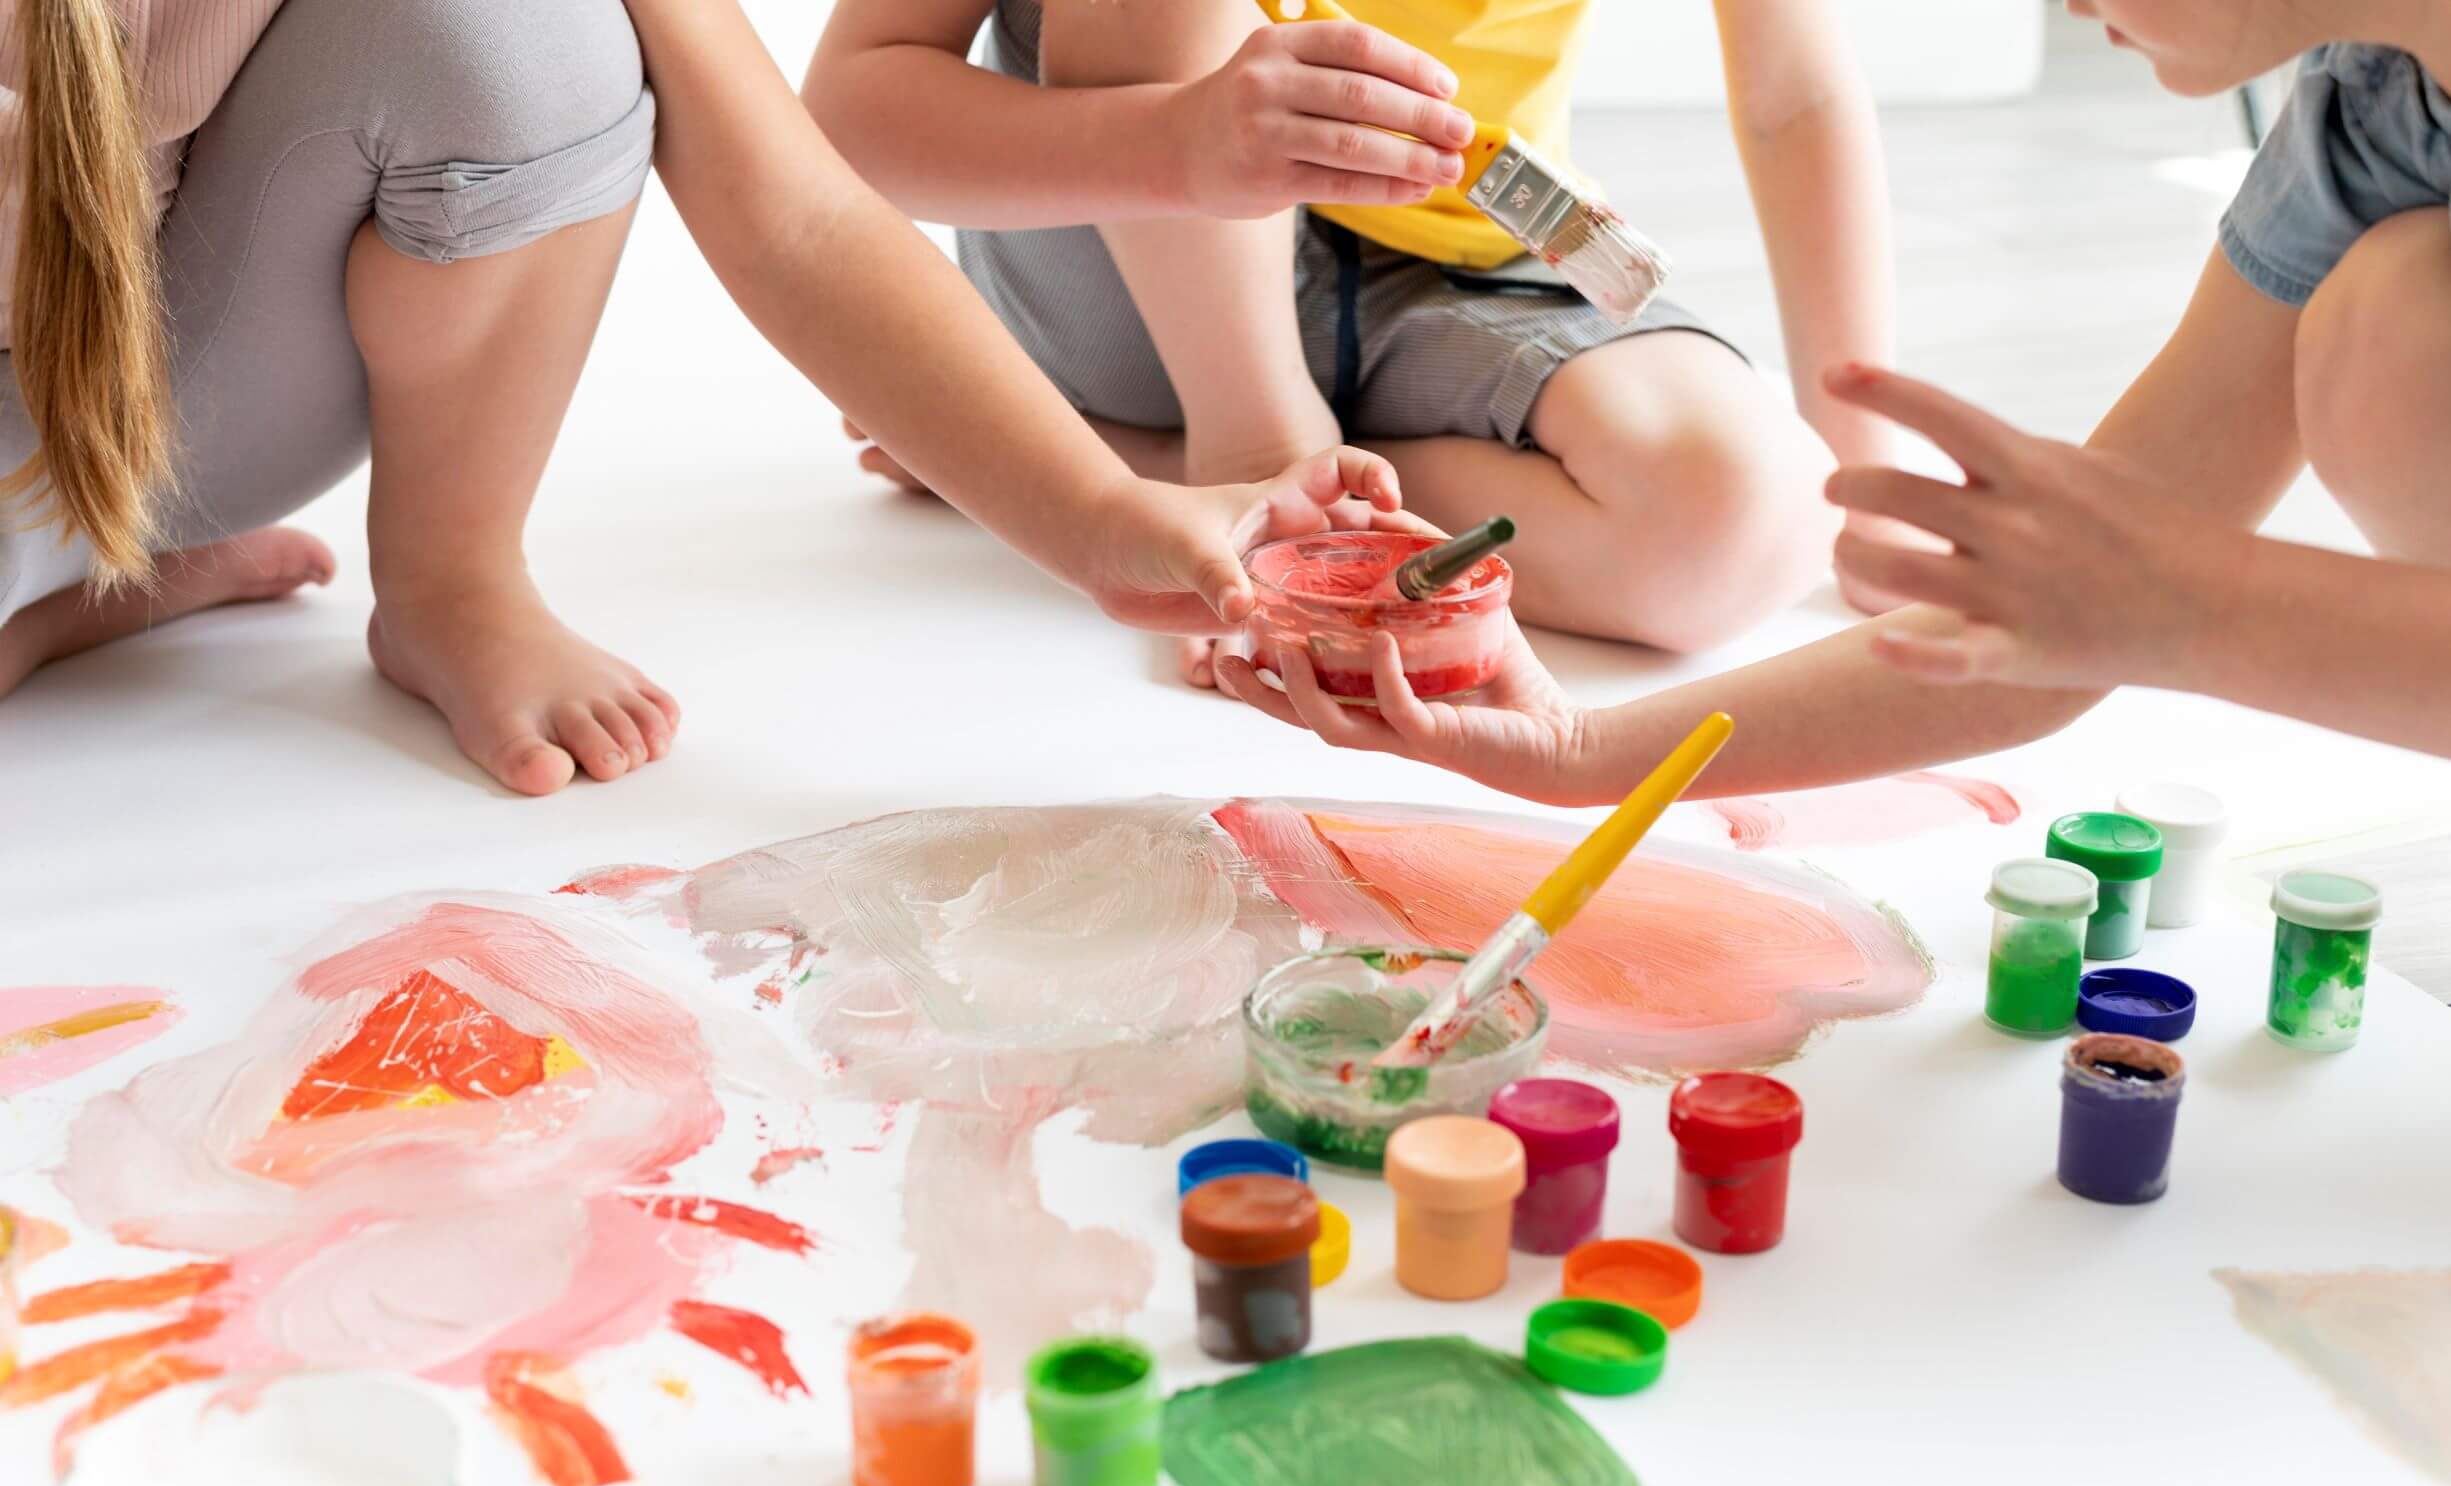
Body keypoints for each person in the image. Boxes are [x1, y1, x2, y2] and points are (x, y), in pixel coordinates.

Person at [0, 0, 1408, 795]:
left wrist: (1095, 512)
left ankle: (446, 578)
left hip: (148, 394)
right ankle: (63, 591)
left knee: (521, 32)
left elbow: (790, 208)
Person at [1219, 0, 2451, 796]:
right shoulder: (2373, 126)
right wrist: (1581, 751)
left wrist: (2194, 605)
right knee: (2395, 321)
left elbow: (2125, 605)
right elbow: (2048, 635)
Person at [807, 0, 1905, 690]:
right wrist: (1176, 146)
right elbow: (844, 115)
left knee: (1753, 520)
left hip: (1456, 262)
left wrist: (1874, 471)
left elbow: (1793, 95)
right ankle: (1242, 455)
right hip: (1140, 245)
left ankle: (1097, 457)